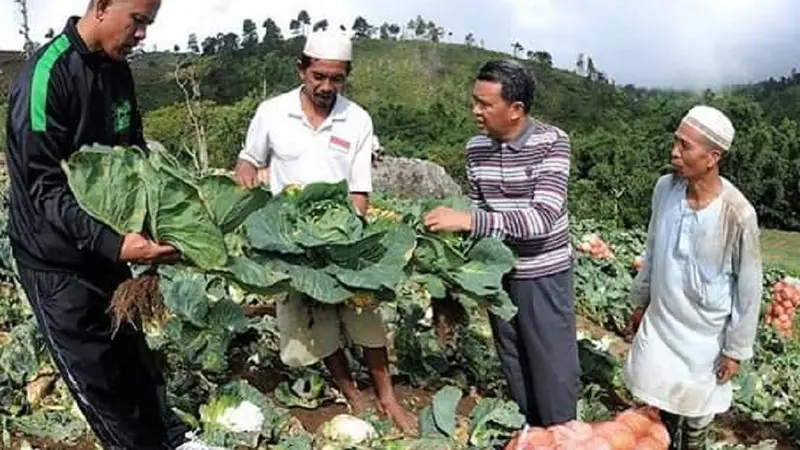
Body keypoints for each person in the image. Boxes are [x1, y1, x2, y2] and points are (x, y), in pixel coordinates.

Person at [4, 1, 219, 449]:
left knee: (135, 360)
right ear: (102, 6)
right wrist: (113, 243)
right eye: (137, 20)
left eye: (148, 24)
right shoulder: (46, 76)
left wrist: (163, 224)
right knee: (98, 379)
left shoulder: (118, 71)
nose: (142, 34)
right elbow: (43, 187)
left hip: (112, 250)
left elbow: (135, 156)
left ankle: (175, 439)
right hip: (58, 263)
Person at [234, 29, 417, 434]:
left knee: (367, 320)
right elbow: (248, 160)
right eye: (319, 76)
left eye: (336, 78)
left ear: (346, 76)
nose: (326, 86)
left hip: (344, 239)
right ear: (301, 69)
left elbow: (359, 190)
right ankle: (353, 393)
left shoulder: (357, 119)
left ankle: (387, 396)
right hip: (291, 241)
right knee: (317, 325)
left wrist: (346, 240)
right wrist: (245, 176)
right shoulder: (272, 112)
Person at [422, 60, 581, 430]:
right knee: (515, 363)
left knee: (554, 371)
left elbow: (541, 219)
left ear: (516, 110)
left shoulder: (552, 143)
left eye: (485, 104)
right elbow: (479, 207)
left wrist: (468, 221)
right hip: (498, 275)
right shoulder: (476, 149)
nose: (475, 111)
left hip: (543, 275)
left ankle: (561, 435)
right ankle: (531, 433)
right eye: (474, 102)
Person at [623, 105, 763, 450]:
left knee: (698, 415)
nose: (674, 152)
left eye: (685, 146)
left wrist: (735, 349)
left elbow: (749, 289)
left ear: (712, 156)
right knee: (658, 398)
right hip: (663, 322)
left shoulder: (738, 214)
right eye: (676, 142)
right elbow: (653, 248)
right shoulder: (664, 190)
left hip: (706, 336)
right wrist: (640, 301)